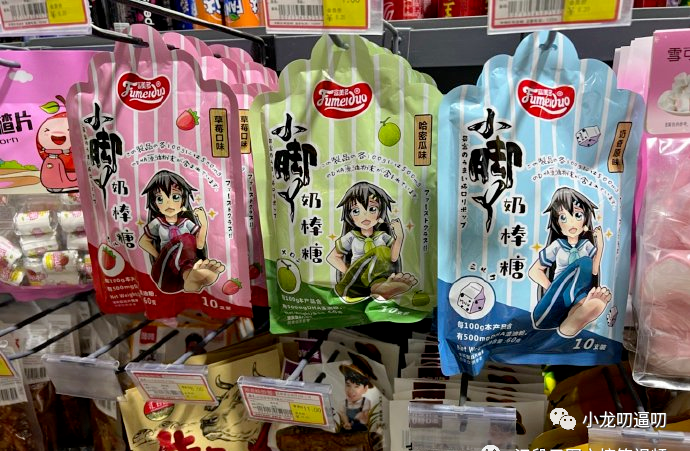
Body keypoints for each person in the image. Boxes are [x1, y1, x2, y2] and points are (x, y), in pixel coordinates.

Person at [528, 187, 611, 337]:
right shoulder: (557, 245)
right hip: (560, 291)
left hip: (580, 290)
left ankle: (572, 322)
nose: (571, 222)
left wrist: (600, 245)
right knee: (584, 262)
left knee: (585, 269)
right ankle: (576, 315)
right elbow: (534, 271)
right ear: (557, 223)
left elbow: (594, 270)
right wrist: (551, 288)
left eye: (578, 215)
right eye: (563, 217)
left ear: (585, 220)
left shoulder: (586, 245)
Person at [326, 181, 417, 303]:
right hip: (358, 278)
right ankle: (381, 290)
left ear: (380, 213)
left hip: (379, 276)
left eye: (372, 209)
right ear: (350, 216)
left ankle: (381, 288)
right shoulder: (351, 237)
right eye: (356, 211)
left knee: (383, 252)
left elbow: (393, 258)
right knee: (381, 250)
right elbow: (332, 257)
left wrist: (399, 236)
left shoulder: (382, 236)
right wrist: (350, 273)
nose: (365, 215)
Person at [138, 170, 225, 293]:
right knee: (185, 239)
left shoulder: (185, 222)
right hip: (166, 269)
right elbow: (143, 241)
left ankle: (192, 278)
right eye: (160, 198)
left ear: (183, 200)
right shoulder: (158, 223)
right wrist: (159, 256)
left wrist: (204, 224)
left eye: (175, 197)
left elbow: (199, 245)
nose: (168, 203)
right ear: (154, 203)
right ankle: (194, 277)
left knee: (188, 241)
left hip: (184, 269)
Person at [338, 355, 377, 432]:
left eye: (356, 386)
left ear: (365, 389)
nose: (351, 390)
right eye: (348, 385)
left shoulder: (365, 402)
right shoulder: (344, 403)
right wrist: (346, 422)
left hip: (360, 430)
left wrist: (361, 417)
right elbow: (342, 413)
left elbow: (365, 418)